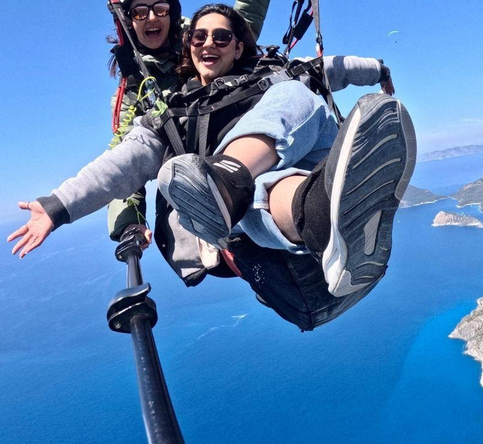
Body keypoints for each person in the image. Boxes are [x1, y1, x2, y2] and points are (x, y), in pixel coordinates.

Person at [8, 4, 416, 331]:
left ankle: (271, 192)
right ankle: (304, 211)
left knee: (294, 91)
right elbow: (119, 164)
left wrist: (380, 70)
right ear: (189, 49)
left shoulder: (278, 78)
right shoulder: (172, 119)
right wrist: (58, 206)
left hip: (314, 168)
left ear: (239, 47)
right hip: (268, 239)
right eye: (199, 37)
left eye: (222, 36)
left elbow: (335, 68)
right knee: (219, 184)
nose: (210, 43)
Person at [107, 0, 271, 244]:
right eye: (139, 12)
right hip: (194, 188)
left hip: (244, 156)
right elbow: (127, 155)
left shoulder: (204, 39)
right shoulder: (135, 89)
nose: (151, 17)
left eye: (160, 9)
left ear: (171, 13)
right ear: (129, 21)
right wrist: (129, 220)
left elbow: (246, 15)